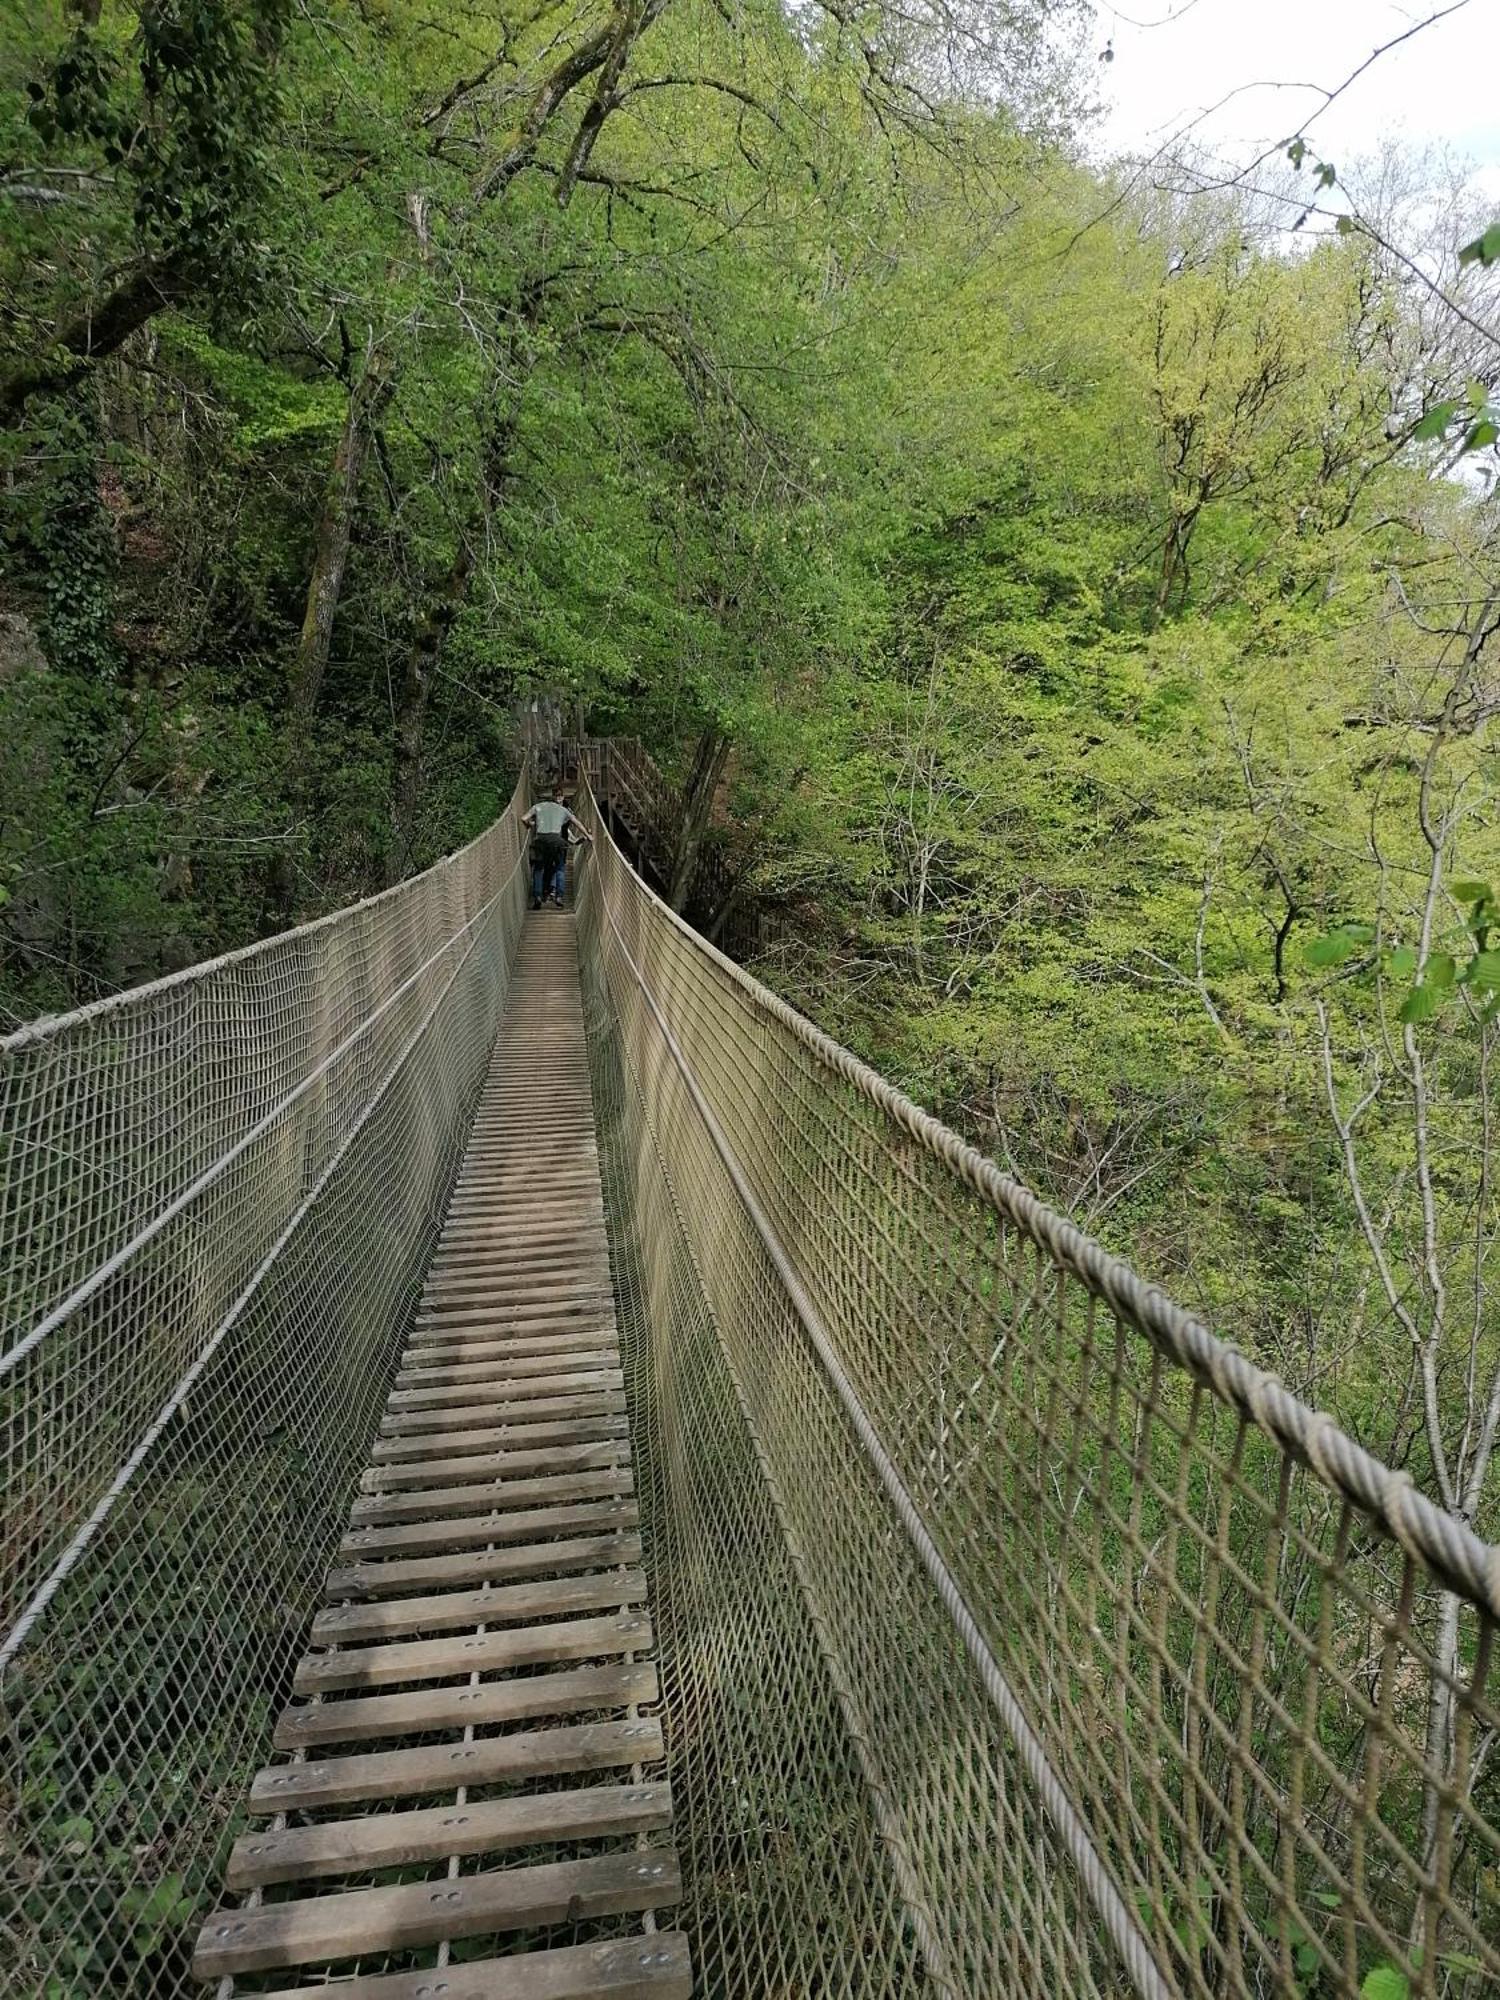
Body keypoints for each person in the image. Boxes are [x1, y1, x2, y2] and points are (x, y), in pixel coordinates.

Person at [522, 780, 592, 909]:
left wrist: (529, 825)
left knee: (538, 869)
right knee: (560, 868)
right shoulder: (563, 810)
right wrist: (588, 836)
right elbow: (577, 823)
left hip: (540, 840)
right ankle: (559, 896)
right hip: (556, 840)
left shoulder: (538, 806)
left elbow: (524, 818)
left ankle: (537, 896)